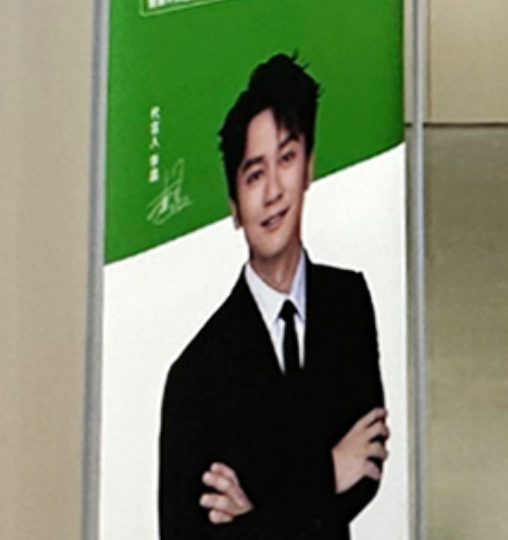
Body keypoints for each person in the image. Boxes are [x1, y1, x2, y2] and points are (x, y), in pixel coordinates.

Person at [157, 54, 387, 535]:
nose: (274, 191)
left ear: (309, 167)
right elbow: (188, 534)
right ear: (234, 206)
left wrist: (254, 510)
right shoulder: (195, 375)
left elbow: (365, 472)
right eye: (254, 174)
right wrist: (327, 471)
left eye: (286, 159)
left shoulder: (347, 302)